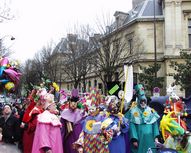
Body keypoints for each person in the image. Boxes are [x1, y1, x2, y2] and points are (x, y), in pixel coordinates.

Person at [125, 84, 160, 153]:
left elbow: (154, 124)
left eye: (144, 101)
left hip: (150, 138)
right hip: (139, 138)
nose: (143, 103)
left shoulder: (151, 111)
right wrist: (134, 139)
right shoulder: (133, 111)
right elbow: (132, 127)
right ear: (138, 101)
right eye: (142, 101)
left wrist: (156, 137)